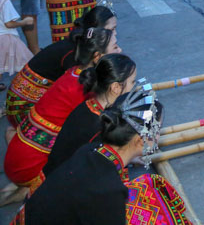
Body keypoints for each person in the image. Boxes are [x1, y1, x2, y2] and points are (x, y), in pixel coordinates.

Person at [14, 87, 191, 225]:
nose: (158, 136)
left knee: (148, 187)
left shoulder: (91, 150)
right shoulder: (108, 191)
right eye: (157, 130)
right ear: (140, 139)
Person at [1, 26, 121, 204]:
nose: (120, 50)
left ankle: (24, 185)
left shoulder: (73, 73)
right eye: (115, 47)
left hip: (17, 159)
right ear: (97, 57)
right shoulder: (88, 91)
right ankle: (32, 188)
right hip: (30, 167)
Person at [4, 5, 116, 131]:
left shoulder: (81, 44)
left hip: (21, 97)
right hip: (23, 105)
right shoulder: (76, 55)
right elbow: (83, 94)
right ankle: (16, 133)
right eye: (112, 29)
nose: (115, 34)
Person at [41, 53, 137, 177]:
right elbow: (106, 170)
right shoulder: (102, 126)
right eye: (132, 82)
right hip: (60, 188)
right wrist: (128, 156)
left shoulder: (89, 105)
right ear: (116, 87)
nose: (134, 87)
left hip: (50, 176)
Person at [0, 0, 33, 88]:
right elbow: (9, 24)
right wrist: (24, 22)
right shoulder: (4, 2)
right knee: (27, 66)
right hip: (6, 40)